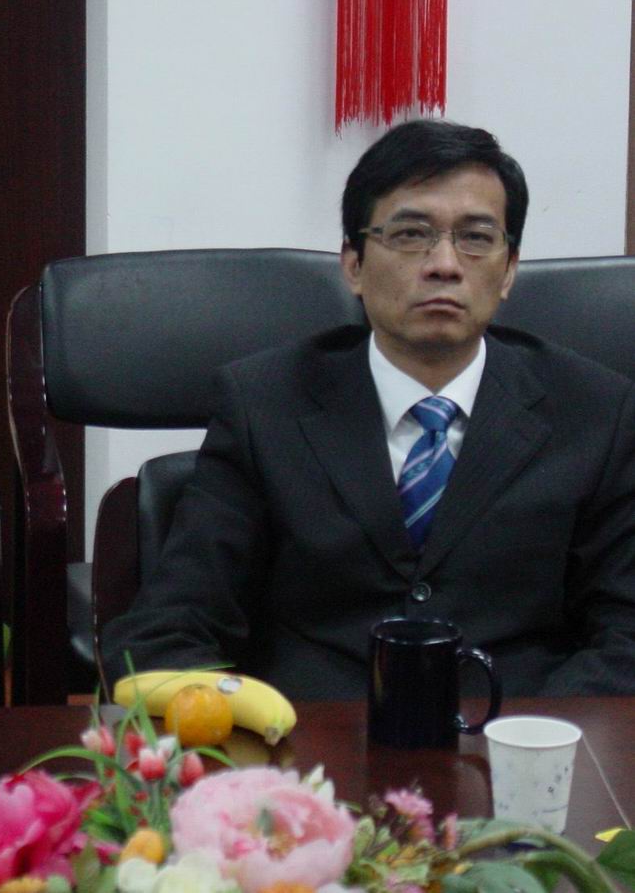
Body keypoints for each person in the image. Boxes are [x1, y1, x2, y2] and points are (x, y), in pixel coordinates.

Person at [103, 119, 635, 700]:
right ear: (353, 264)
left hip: (516, 731)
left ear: (508, 270)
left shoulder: (596, 412)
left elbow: (626, 635)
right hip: (309, 734)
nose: (444, 264)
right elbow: (172, 626)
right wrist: (240, 729)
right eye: (410, 234)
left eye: (476, 238)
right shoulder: (263, 404)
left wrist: (530, 736)